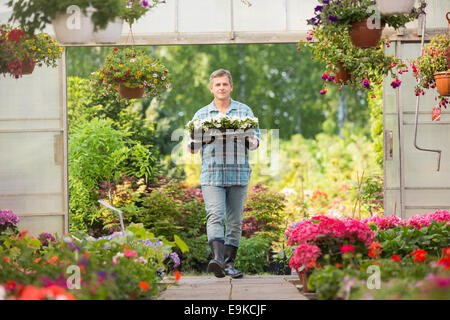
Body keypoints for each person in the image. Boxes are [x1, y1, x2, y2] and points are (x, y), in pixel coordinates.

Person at [187, 69, 260, 279]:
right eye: (217, 85)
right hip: (212, 175)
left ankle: (229, 264)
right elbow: (191, 148)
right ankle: (217, 260)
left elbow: (255, 143)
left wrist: (245, 138)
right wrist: (202, 140)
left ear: (231, 87)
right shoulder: (201, 115)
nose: (221, 88)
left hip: (238, 173)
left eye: (225, 84)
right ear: (211, 88)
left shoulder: (244, 111)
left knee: (235, 220)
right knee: (215, 215)